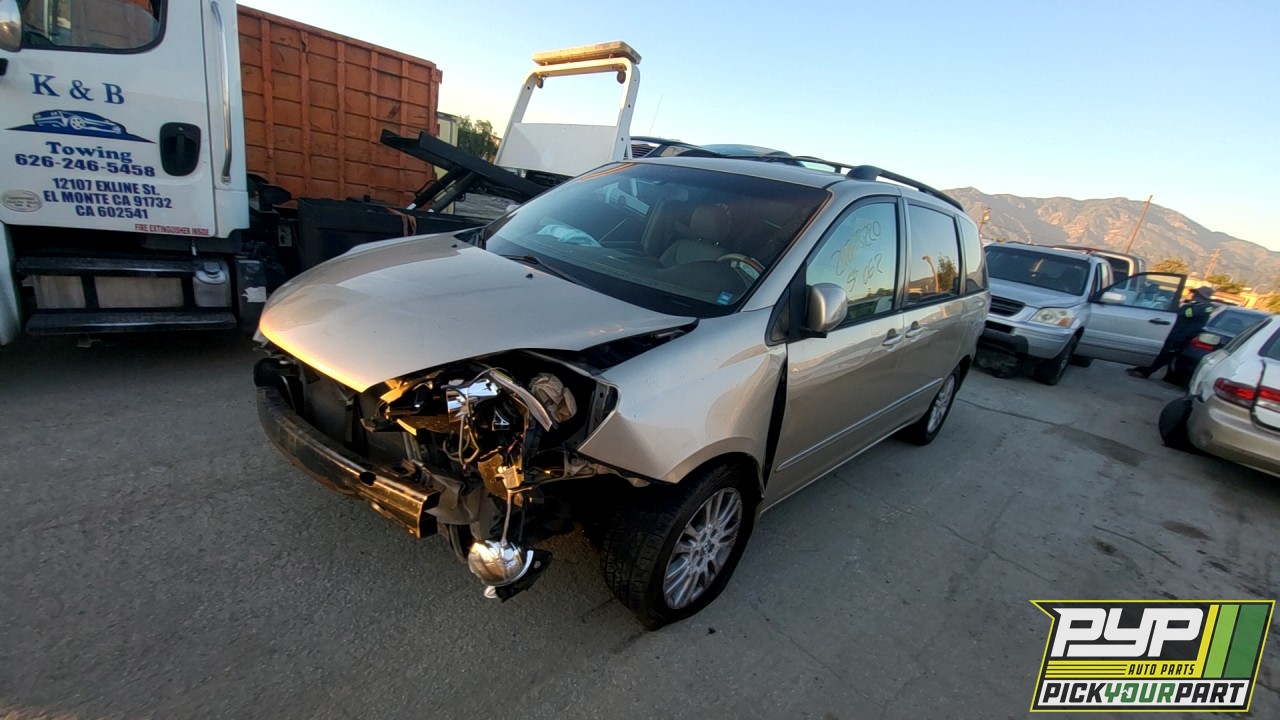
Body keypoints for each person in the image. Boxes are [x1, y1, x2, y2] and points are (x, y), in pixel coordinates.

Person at [1127, 285, 1215, 379]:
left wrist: (1185, 306)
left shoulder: (1207, 307)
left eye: (1195, 293)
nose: (1192, 295)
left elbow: (1187, 313)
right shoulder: (1195, 305)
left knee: (1166, 355)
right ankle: (1144, 369)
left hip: (1182, 336)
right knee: (1162, 353)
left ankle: (1147, 372)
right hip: (1175, 334)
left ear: (1200, 295)